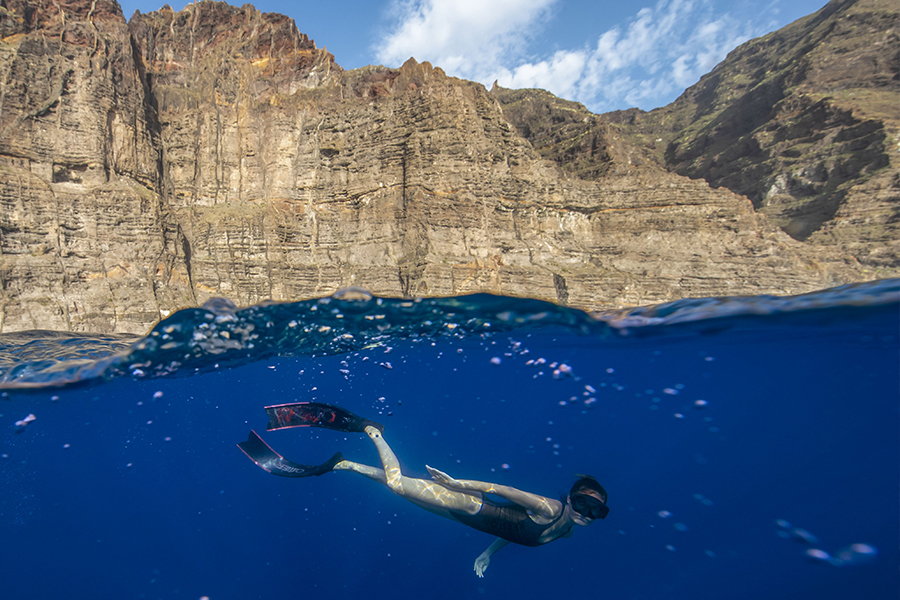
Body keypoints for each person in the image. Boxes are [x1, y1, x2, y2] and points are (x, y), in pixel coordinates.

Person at [238, 401, 609, 577]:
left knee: (398, 488)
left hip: (462, 516)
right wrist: (457, 484)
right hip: (468, 503)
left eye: (596, 512)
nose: (586, 514)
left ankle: (344, 464)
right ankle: (372, 430)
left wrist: (488, 554)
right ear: (569, 497)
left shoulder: (565, 532)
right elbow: (502, 488)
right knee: (399, 484)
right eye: (582, 503)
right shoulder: (549, 508)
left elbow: (515, 531)